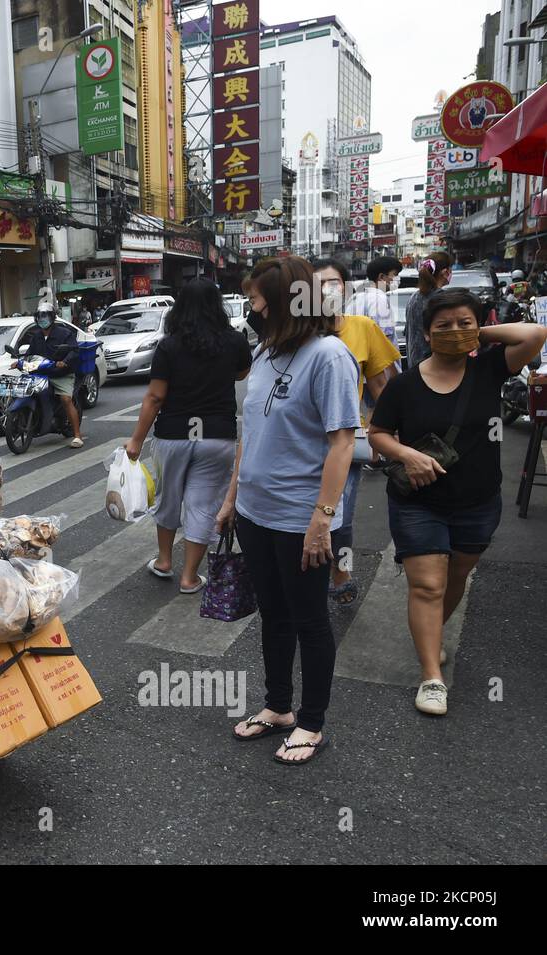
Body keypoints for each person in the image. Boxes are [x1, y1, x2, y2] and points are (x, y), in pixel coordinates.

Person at [369, 289, 547, 716]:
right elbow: (377, 434)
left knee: (455, 580)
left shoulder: (490, 367)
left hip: (478, 500)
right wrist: (407, 454)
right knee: (428, 584)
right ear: (426, 334)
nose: (453, 332)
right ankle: (432, 676)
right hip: (417, 502)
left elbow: (536, 333)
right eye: (442, 326)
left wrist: (475, 334)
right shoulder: (404, 385)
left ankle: (432, 634)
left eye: (463, 323)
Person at [216, 256, 359, 765]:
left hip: (302, 517)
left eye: (255, 300)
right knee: (273, 616)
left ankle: (312, 723)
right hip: (256, 513)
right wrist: (232, 499)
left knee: (309, 619)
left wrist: (323, 518)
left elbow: (342, 443)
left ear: (281, 303)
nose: (250, 309)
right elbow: (248, 434)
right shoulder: (263, 352)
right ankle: (278, 707)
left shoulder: (329, 356)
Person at [125, 278, 251, 594]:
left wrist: (136, 441)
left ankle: (165, 561)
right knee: (203, 505)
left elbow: (154, 397)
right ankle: (190, 577)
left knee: (169, 499)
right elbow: (241, 373)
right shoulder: (233, 341)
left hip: (173, 434)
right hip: (217, 437)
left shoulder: (168, 346)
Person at [313, 258, 401, 605]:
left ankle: (342, 570)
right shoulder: (298, 333)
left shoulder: (362, 327)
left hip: (346, 442)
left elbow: (382, 386)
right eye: (317, 285)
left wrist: (383, 432)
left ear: (347, 289)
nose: (326, 291)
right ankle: (310, 570)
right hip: (301, 445)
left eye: (333, 283)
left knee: (341, 515)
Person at [16, 301, 84, 448]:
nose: (42, 319)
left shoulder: (65, 334)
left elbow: (74, 351)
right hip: (40, 374)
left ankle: (77, 436)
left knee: (66, 399)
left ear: (52, 317)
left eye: (45, 316)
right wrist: (19, 362)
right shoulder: (36, 336)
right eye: (40, 317)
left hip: (61, 374)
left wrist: (64, 361)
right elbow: (29, 354)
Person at [405, 252, 453, 367]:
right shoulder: (441, 298)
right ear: (445, 272)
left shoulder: (414, 297)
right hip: (435, 367)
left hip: (415, 367)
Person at [349, 255, 403, 344]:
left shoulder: (355, 298)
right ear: (381, 277)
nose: (397, 278)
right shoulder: (380, 299)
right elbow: (384, 338)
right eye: (395, 274)